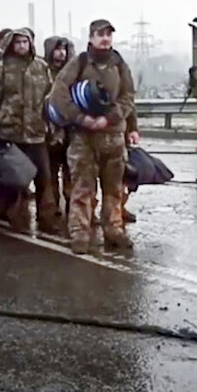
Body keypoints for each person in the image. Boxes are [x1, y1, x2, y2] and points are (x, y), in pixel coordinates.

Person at [47, 19, 135, 254]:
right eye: (100, 34)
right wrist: (80, 118)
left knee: (114, 188)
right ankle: (80, 233)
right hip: (83, 138)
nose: (105, 38)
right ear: (91, 38)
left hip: (113, 136)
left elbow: (128, 96)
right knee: (82, 188)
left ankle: (114, 230)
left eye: (108, 34)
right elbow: (58, 93)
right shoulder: (79, 63)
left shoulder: (119, 63)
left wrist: (111, 118)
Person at [0, 28, 60, 234]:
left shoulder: (41, 66)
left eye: (25, 42)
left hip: (36, 132)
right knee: (14, 180)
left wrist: (53, 128)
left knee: (44, 179)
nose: (21, 46)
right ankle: (13, 217)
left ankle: (47, 218)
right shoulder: (2, 68)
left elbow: (50, 99)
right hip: (10, 133)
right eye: (17, 42)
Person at [43, 36, 73, 220]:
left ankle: (72, 205)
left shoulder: (73, 71)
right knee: (51, 172)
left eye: (63, 49)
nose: (61, 53)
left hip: (71, 129)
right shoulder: (43, 71)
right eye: (57, 49)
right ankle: (52, 208)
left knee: (71, 171)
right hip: (50, 130)